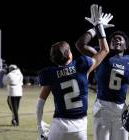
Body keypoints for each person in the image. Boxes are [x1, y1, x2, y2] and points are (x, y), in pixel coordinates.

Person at [36, 4, 113, 140]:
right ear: (70, 55)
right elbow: (105, 50)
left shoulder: (50, 74)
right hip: (80, 127)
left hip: (59, 126)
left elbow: (40, 103)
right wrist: (98, 27)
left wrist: (39, 126)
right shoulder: (82, 66)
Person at [76, 29, 129, 140]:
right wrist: (95, 29)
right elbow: (80, 45)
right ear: (109, 44)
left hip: (122, 111)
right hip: (102, 108)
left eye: (120, 39)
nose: (116, 40)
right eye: (113, 39)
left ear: (126, 46)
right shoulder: (101, 55)